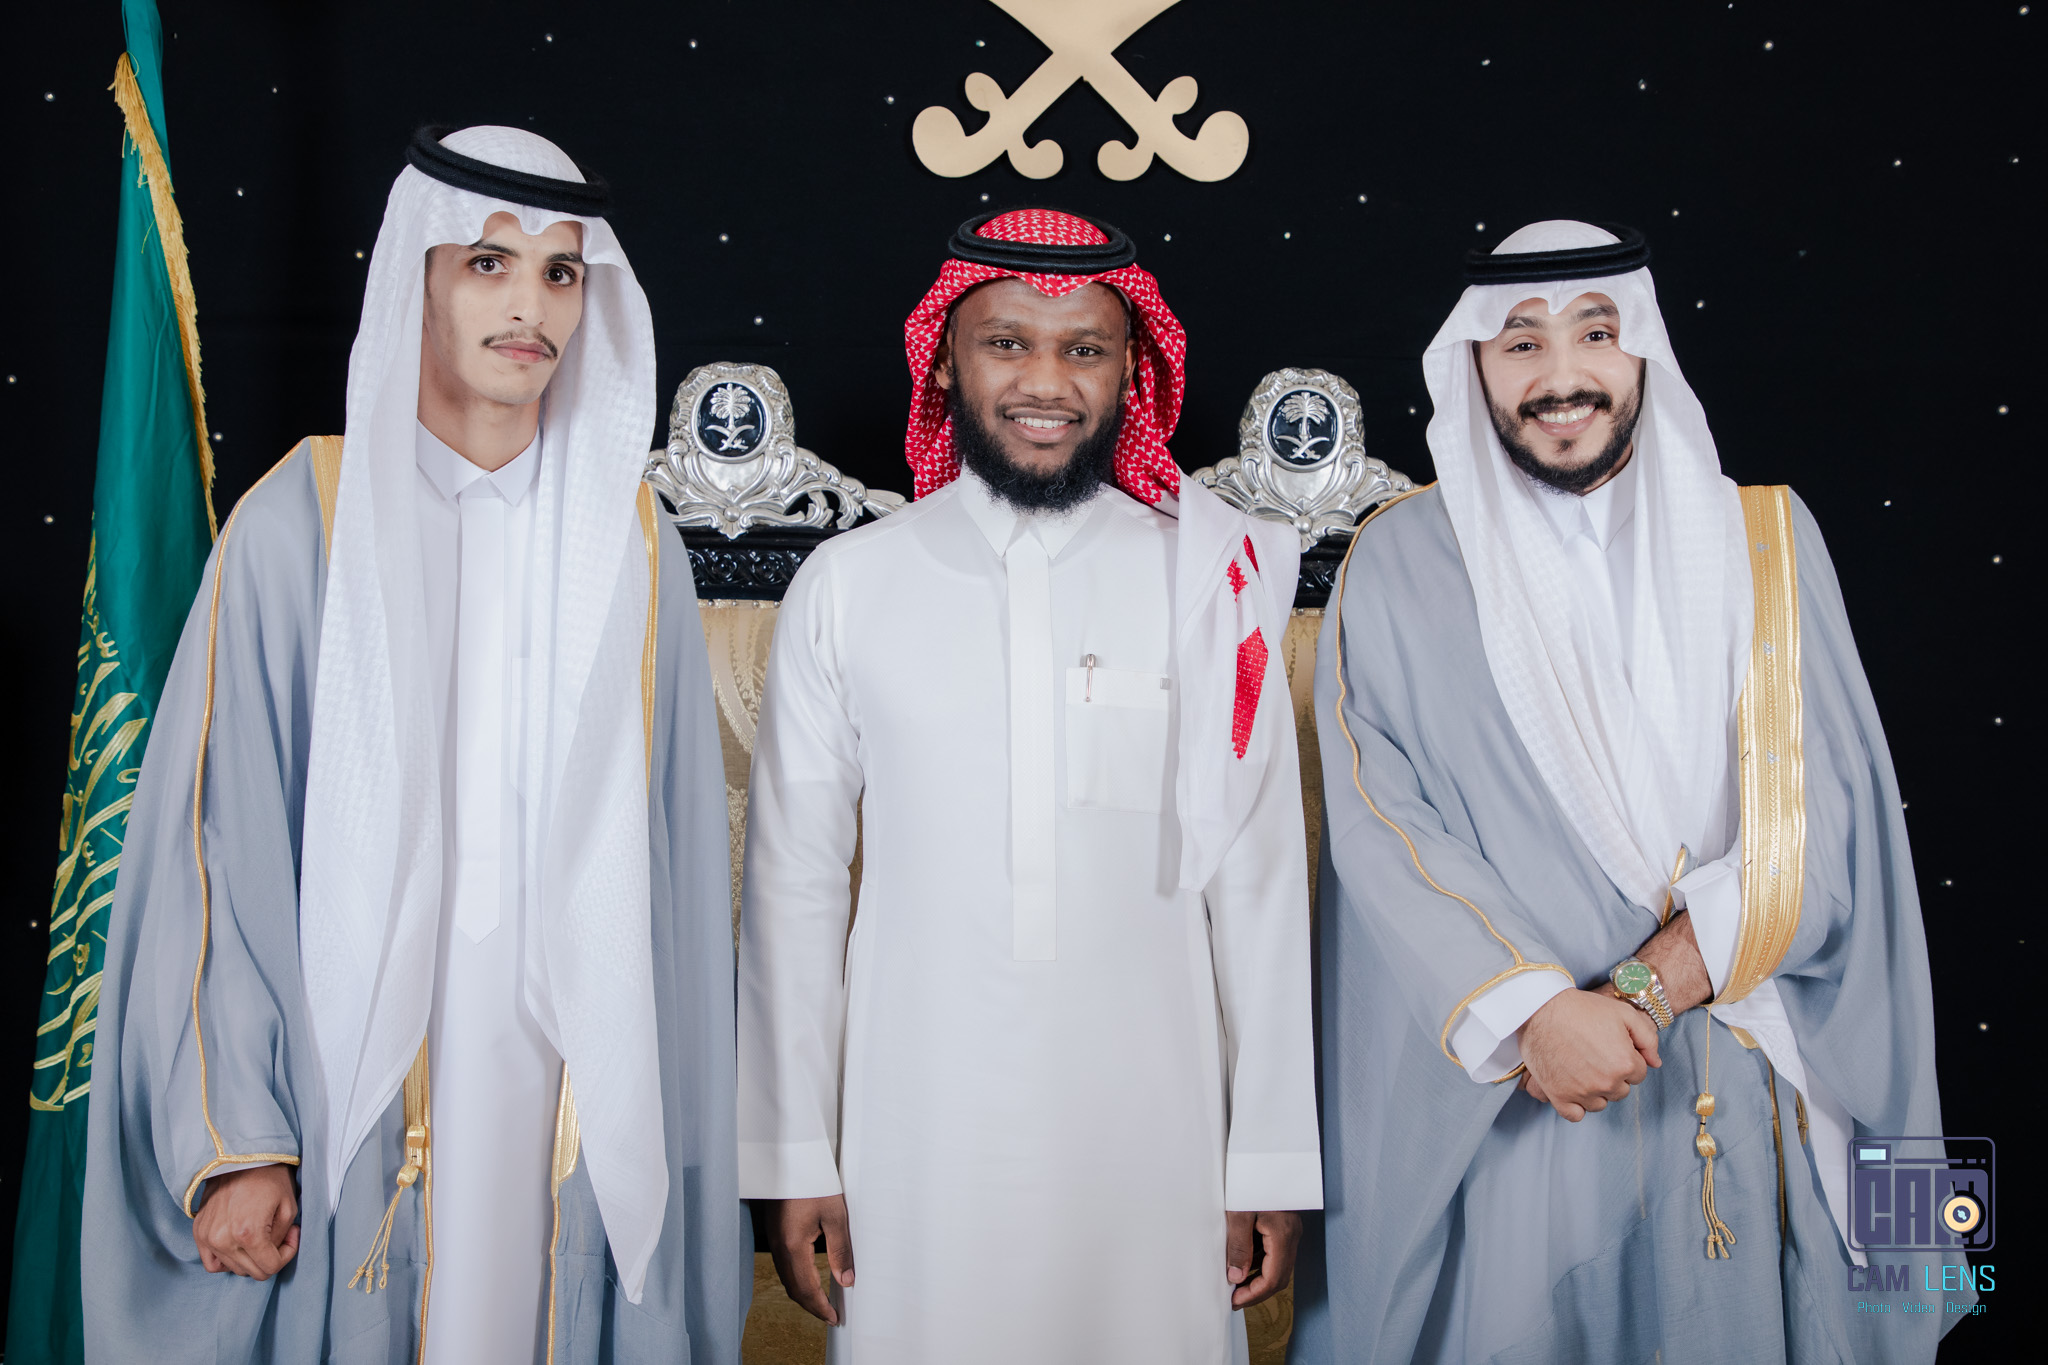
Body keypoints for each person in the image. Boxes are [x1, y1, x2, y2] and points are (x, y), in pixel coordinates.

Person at [81, 126, 749, 1364]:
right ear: (417, 280)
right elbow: (215, 848)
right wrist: (238, 1137)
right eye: (488, 263)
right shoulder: (302, 522)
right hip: (349, 1079)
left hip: (568, 1079)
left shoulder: (632, 544)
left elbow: (676, 878)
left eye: (560, 272)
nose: (529, 307)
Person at [1290, 221, 1965, 1363]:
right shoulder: (1396, 562)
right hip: (1529, 1100)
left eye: (1594, 334)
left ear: (1642, 345)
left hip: (1753, 1069)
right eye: (1521, 343)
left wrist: (1646, 993)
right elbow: (1382, 824)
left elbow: (1828, 814)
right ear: (1473, 366)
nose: (1561, 376)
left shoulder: (1768, 538)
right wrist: (1539, 1016)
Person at [738, 209, 1322, 1363]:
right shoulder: (847, 586)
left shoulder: (1212, 582)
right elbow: (791, 892)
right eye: (1006, 343)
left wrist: (1266, 1156)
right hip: (914, 1133)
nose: (1044, 383)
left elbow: (1257, 887)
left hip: (1155, 1137)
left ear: (1131, 370)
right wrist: (794, 1154)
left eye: (1083, 349)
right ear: (945, 364)